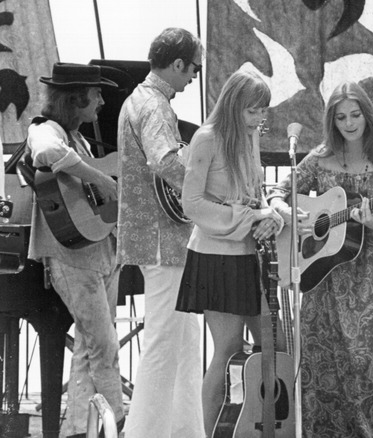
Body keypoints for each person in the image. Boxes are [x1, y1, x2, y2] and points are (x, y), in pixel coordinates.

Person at [268, 81, 373, 437]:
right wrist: (287, 210)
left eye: (355, 115)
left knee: (367, 361)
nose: (349, 123)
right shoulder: (320, 157)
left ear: (367, 116)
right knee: (329, 360)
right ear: (331, 121)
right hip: (325, 276)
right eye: (341, 117)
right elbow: (282, 190)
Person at [173, 67, 285, 435]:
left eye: (264, 111)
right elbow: (192, 203)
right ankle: (210, 431)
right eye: (253, 111)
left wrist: (271, 215)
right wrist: (251, 216)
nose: (259, 118)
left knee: (276, 344)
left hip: (249, 255)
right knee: (227, 350)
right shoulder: (207, 138)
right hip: (215, 256)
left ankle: (260, 426)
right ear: (233, 105)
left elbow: (256, 193)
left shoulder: (249, 136)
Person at [25, 62, 123, 438]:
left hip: (96, 251)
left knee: (89, 345)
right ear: (76, 97)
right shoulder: (45, 129)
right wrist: (100, 178)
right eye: (95, 93)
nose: (100, 100)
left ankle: (77, 430)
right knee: (105, 345)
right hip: (70, 256)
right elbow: (47, 153)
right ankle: (118, 422)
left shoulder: (78, 137)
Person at [116, 27, 205, 438]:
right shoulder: (153, 105)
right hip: (162, 240)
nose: (193, 79)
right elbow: (166, 160)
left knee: (185, 346)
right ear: (177, 64)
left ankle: (185, 431)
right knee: (164, 344)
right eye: (193, 70)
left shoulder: (142, 99)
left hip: (163, 239)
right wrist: (211, 186)